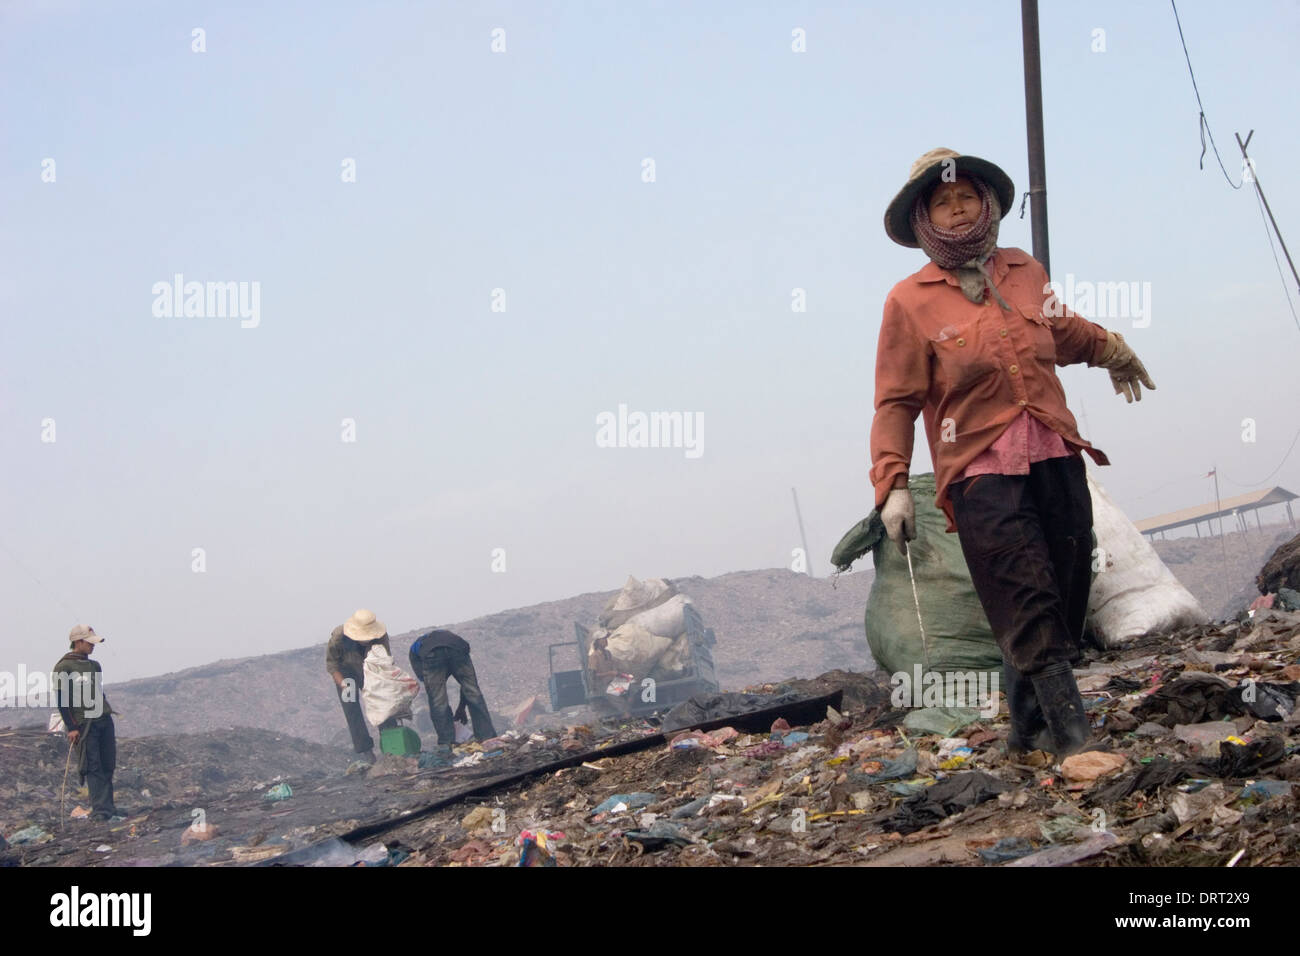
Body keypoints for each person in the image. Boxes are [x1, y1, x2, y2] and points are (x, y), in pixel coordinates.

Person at [870, 148, 1155, 758]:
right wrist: (892, 484)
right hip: (980, 474)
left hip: (1053, 452)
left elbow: (1064, 328)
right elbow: (895, 401)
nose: (957, 210)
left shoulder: (1024, 269)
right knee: (1025, 594)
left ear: (987, 204)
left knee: (1069, 583)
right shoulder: (909, 301)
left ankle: (1023, 735)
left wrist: (1114, 350)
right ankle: (1073, 742)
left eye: (966, 198)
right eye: (943, 203)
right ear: (925, 218)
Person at [53, 625, 119, 821]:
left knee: (108, 763)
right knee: (93, 766)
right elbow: (62, 699)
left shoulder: (94, 666)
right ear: (78, 642)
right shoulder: (63, 667)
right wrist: (71, 727)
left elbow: (98, 691)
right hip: (84, 724)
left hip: (104, 720)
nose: (92, 647)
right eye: (89, 643)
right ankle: (100, 811)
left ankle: (109, 807)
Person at [326, 608, 399, 763]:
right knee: (351, 708)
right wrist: (343, 685)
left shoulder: (380, 636)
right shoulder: (339, 636)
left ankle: (391, 745)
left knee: (382, 703)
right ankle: (366, 751)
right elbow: (332, 665)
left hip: (371, 670)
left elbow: (386, 660)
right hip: (346, 674)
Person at [408, 629, 496, 752]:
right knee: (473, 692)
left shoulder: (415, 653)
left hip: (432, 654)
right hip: (457, 647)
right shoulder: (440, 639)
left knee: (438, 700)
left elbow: (431, 689)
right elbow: (467, 688)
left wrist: (460, 708)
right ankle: (487, 737)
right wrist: (461, 708)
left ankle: (447, 744)